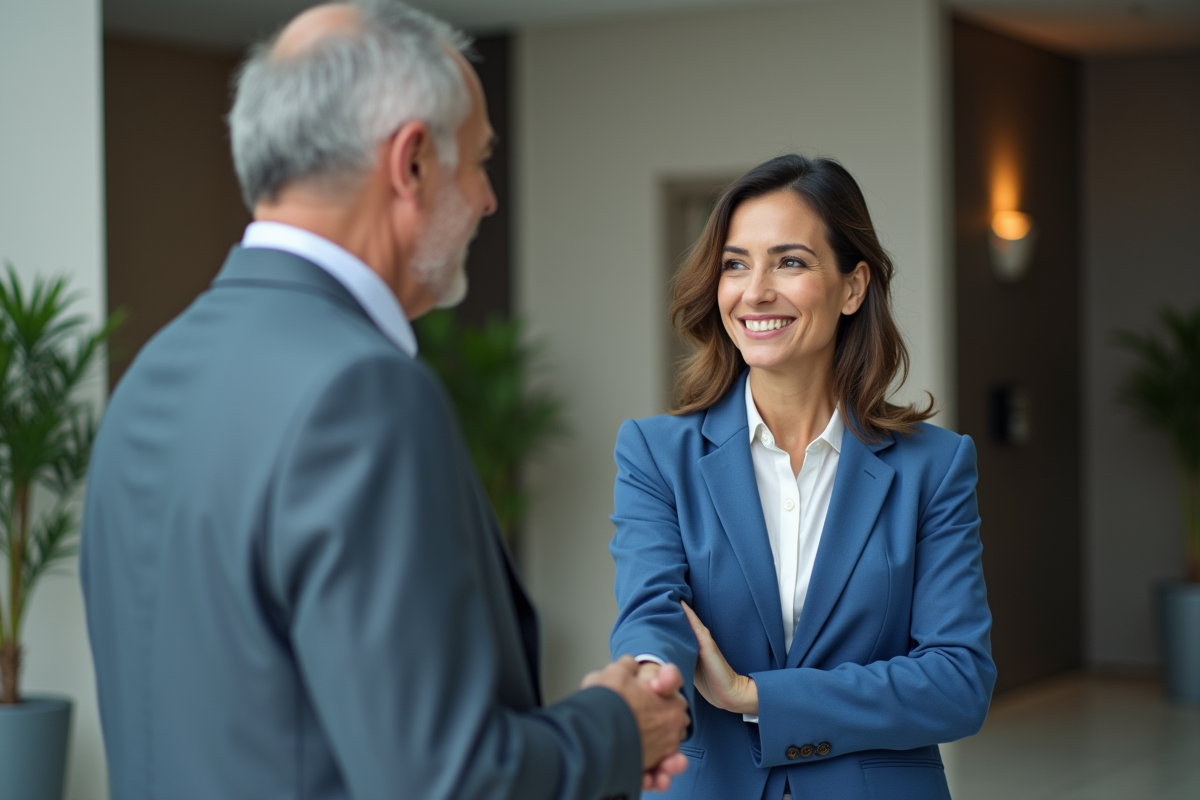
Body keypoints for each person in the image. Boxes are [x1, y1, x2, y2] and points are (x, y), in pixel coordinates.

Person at [80, 3, 689, 799]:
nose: (487, 200)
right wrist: (617, 725)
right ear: (411, 164)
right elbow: (449, 782)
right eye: (477, 161)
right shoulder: (360, 394)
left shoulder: (149, 376)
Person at [608, 154, 996, 799]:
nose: (755, 291)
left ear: (853, 286)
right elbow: (653, 612)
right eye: (736, 264)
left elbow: (958, 683)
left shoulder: (934, 466)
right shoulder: (654, 453)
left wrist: (753, 695)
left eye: (789, 261)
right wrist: (649, 678)